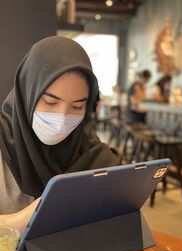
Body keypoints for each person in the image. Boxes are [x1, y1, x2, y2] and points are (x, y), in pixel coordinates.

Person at [0, 36, 120, 234]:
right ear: (27, 93)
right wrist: (28, 218)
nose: (62, 117)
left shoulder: (92, 153)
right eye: (50, 102)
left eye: (77, 106)